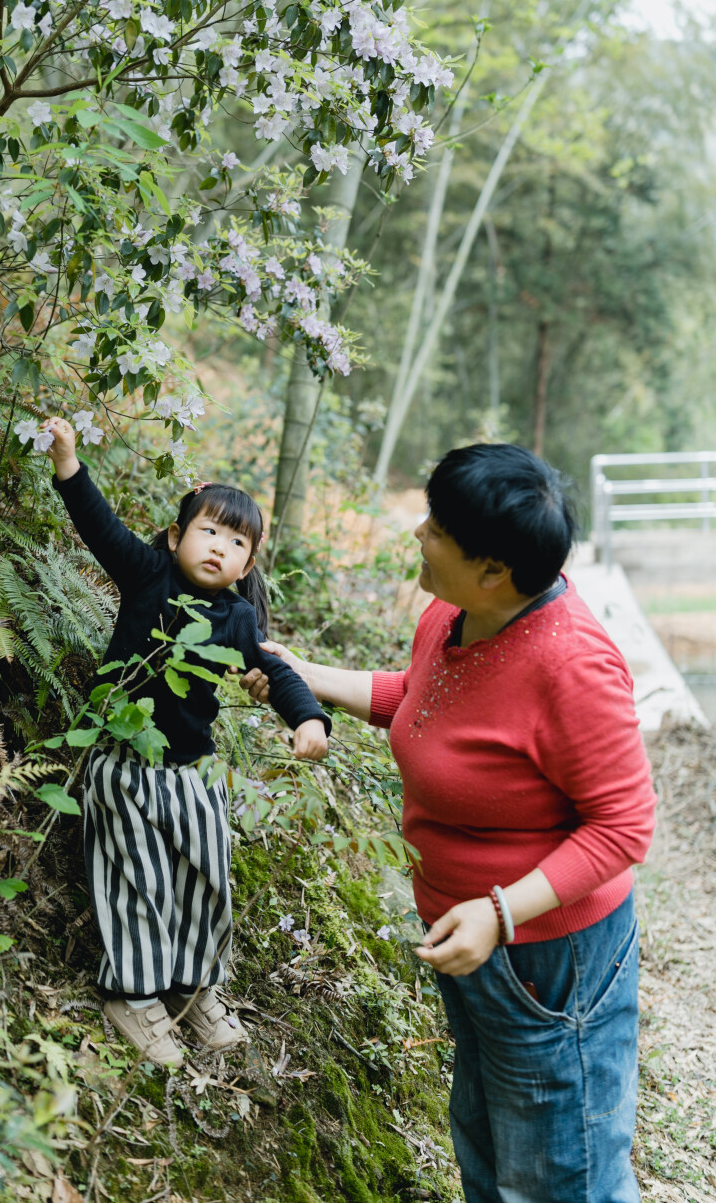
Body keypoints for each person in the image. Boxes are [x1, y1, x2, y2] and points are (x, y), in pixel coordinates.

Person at [241, 442, 657, 1203]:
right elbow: (425, 702)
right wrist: (295, 673)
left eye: (435, 528)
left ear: (494, 567)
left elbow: (623, 827)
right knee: (490, 1149)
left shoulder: (572, 666)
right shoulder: (456, 612)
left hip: (553, 964)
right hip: (474, 946)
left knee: (566, 1175)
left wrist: (500, 913)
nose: (417, 535)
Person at [42, 416, 331, 1068]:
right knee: (137, 878)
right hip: (123, 763)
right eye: (207, 530)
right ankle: (134, 995)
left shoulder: (236, 619)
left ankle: (196, 988)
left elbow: (278, 670)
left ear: (248, 564)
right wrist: (68, 462)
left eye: (236, 542)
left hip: (192, 774)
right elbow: (100, 526)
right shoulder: (147, 575)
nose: (218, 547)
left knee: (206, 877)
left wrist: (308, 718)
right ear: (176, 536)